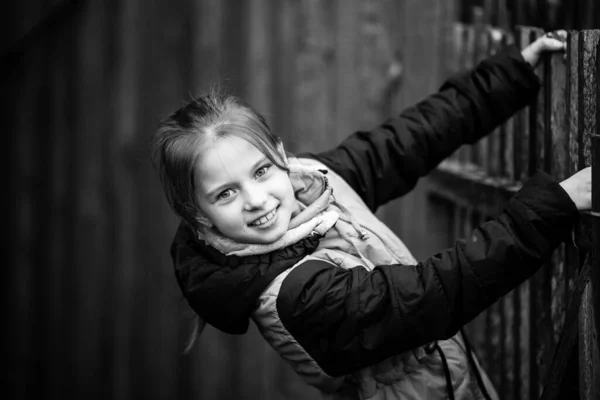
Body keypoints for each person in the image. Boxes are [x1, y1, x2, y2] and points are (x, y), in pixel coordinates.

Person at [151, 30, 591, 400]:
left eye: (262, 170)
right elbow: (433, 294)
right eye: (226, 193)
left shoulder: (313, 184)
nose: (257, 199)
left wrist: (508, 76)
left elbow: (405, 142)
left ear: (281, 155)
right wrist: (557, 203)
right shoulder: (299, 297)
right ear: (199, 216)